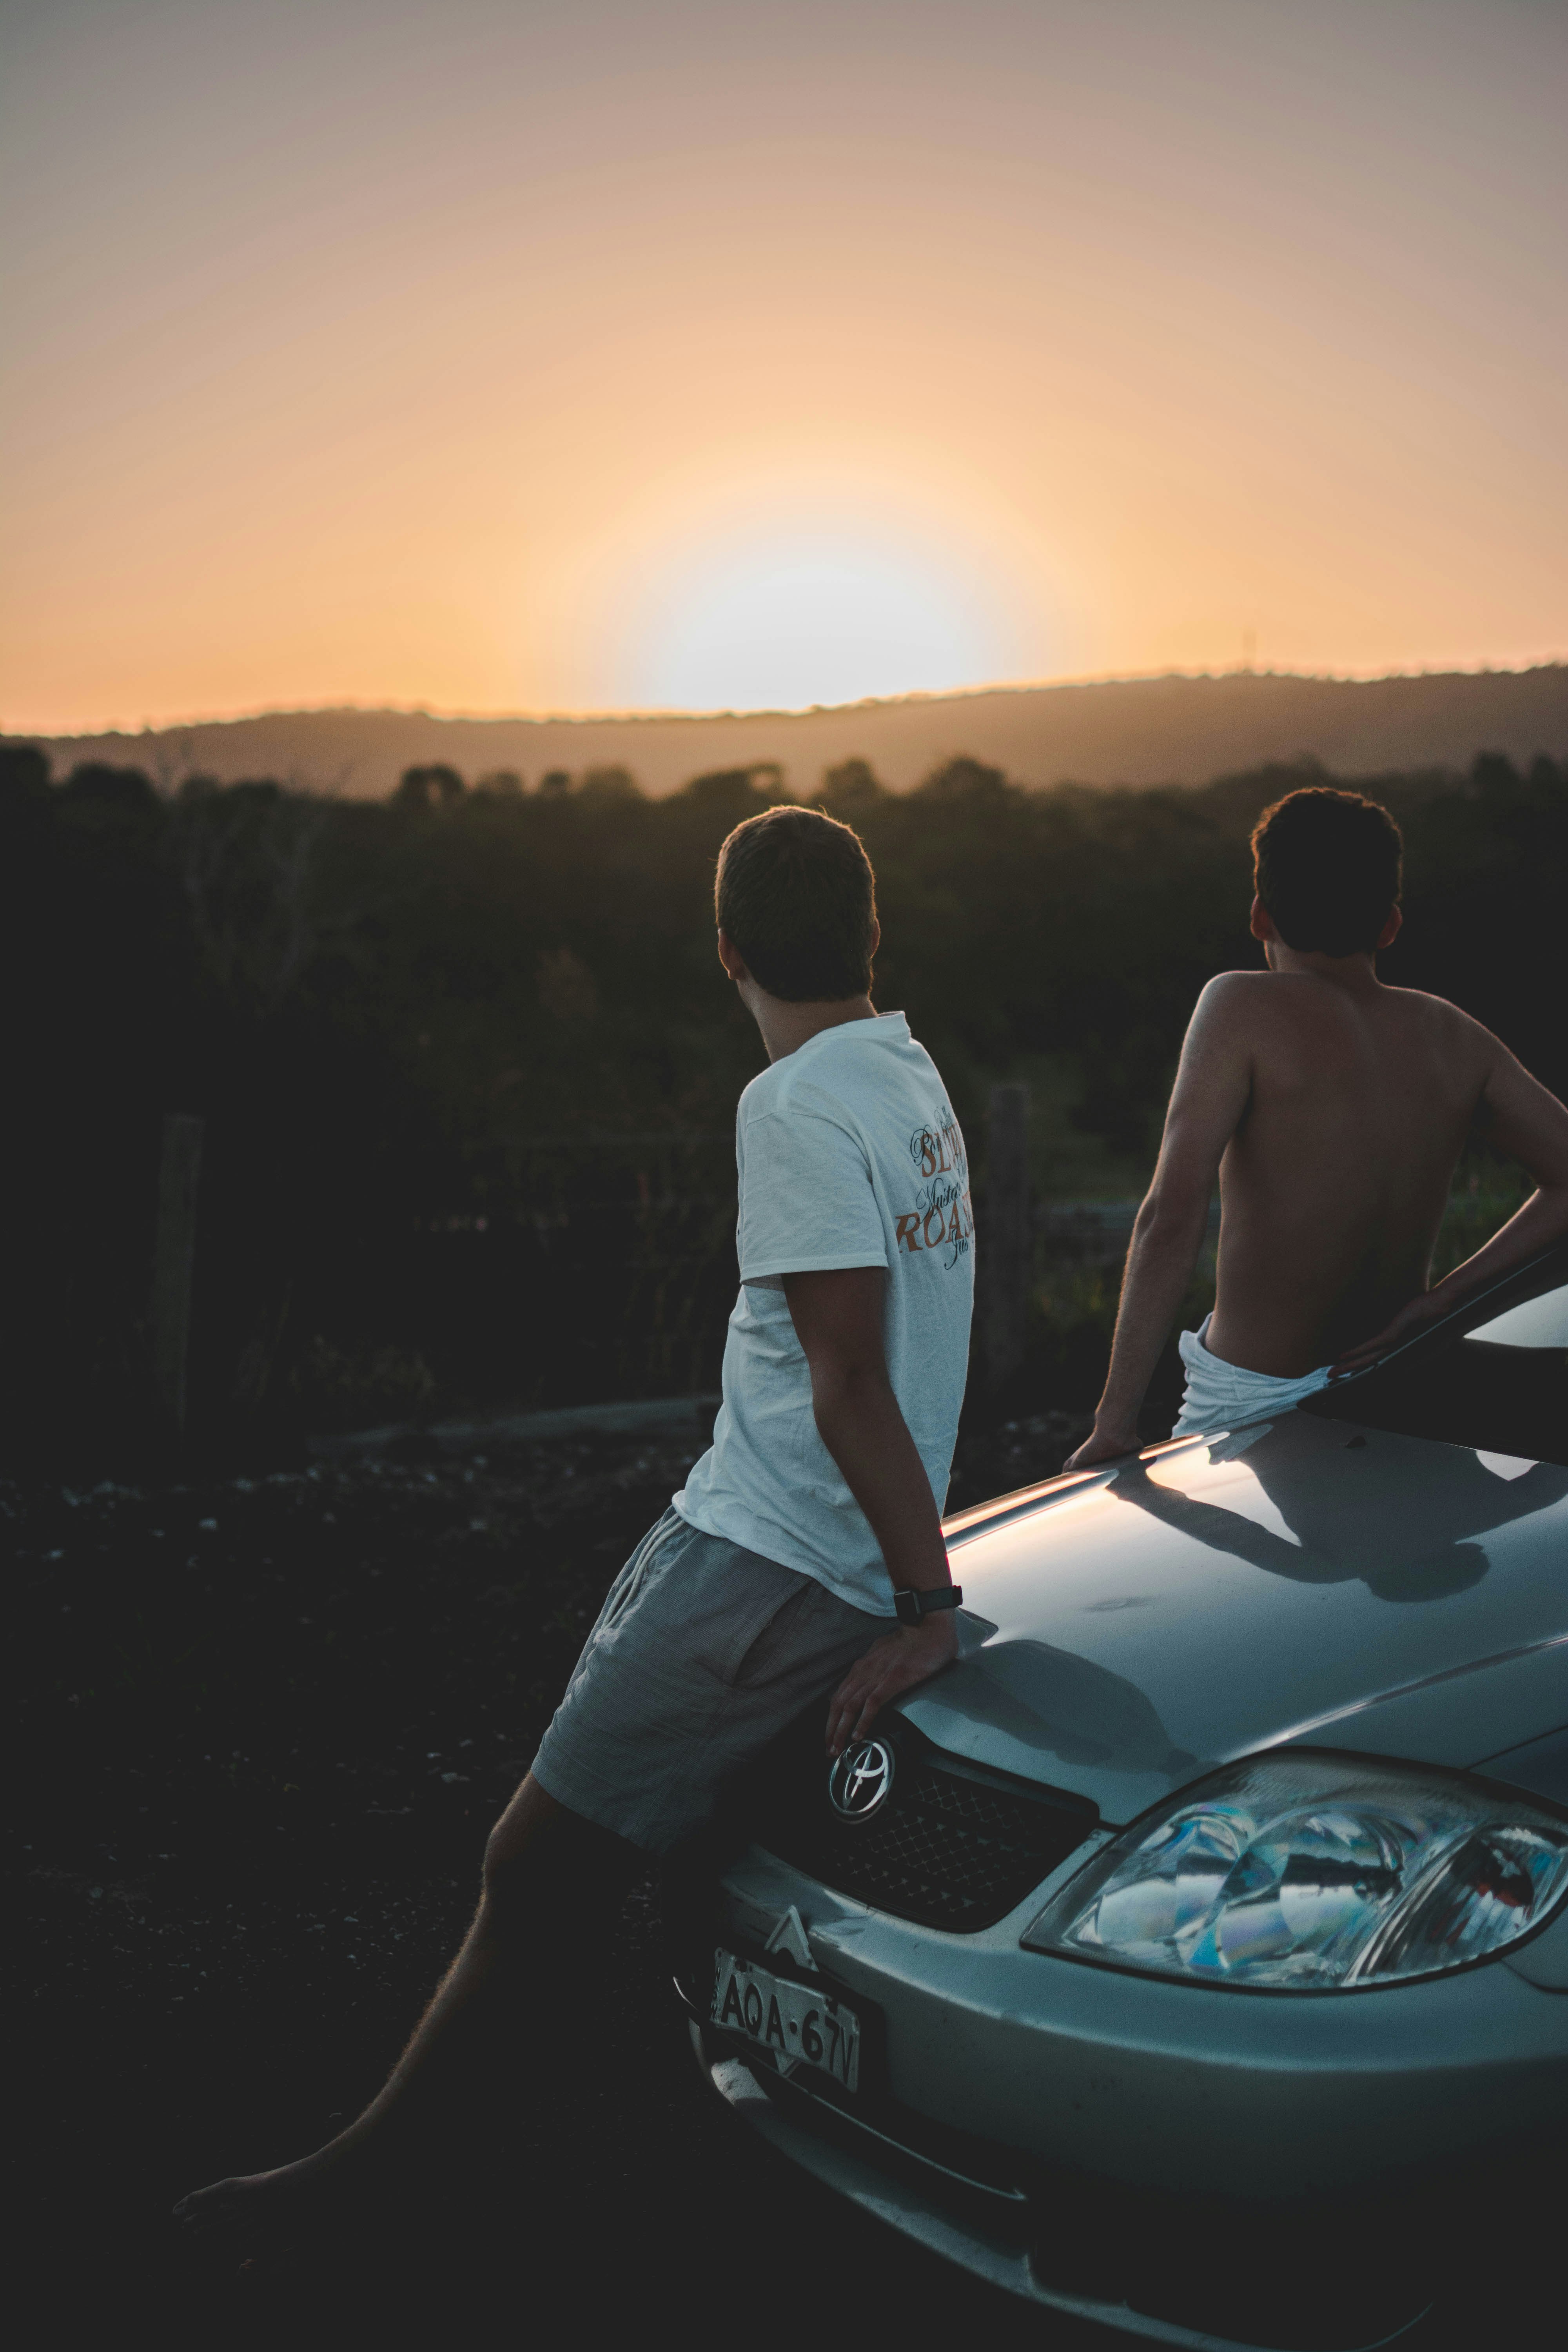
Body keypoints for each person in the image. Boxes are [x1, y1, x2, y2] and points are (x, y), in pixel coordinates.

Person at [177, 802, 975, 2237]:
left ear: (724, 950)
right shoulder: (910, 1076)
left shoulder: (790, 1104)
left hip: (767, 1564)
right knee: (674, 1870)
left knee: (530, 1871)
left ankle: (353, 2196)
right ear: (871, 935)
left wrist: (930, 1608)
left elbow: (853, 1377)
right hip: (793, 1546)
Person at [1067, 786, 1568, 1468]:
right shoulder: (1454, 1034)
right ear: (1390, 924)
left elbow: (1170, 1213)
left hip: (1253, 1403)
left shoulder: (1239, 1004)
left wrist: (1114, 1422)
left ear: (1259, 915)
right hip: (1405, 1386)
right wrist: (1441, 1304)